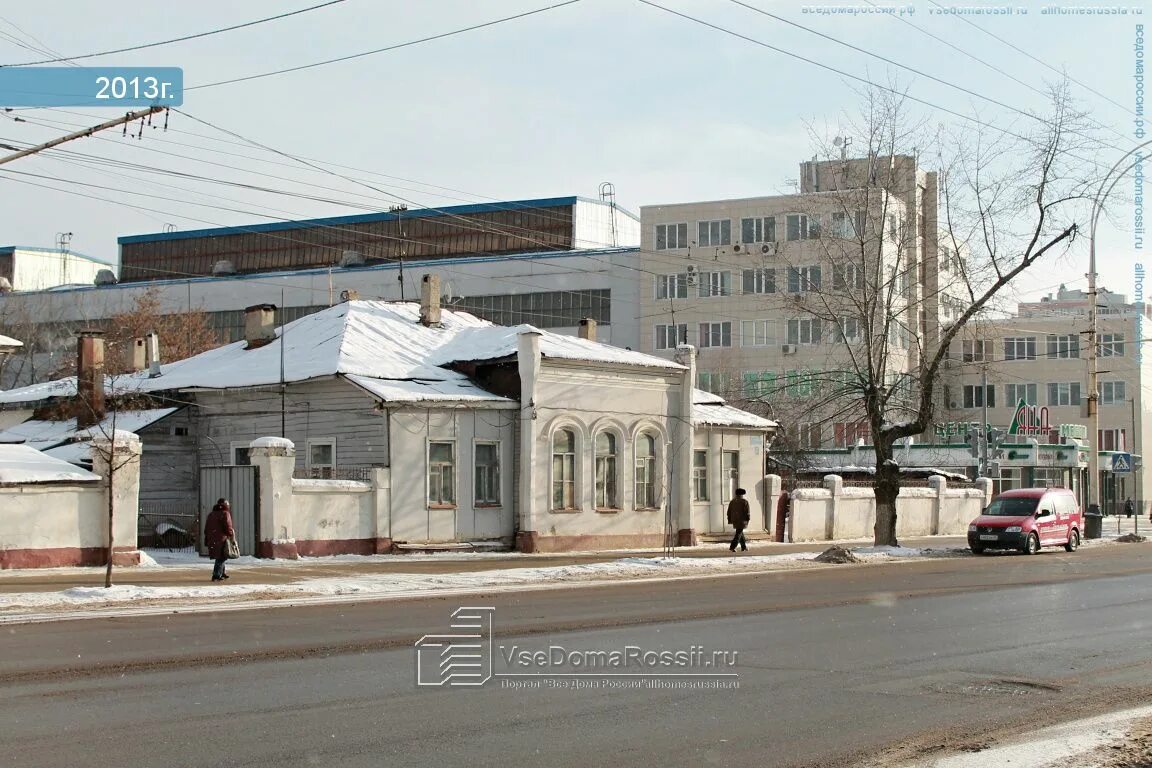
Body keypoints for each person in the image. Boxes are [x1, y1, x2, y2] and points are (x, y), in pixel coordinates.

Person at [204, 498, 235, 582]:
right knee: (221, 557)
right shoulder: (225, 513)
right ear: (225, 505)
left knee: (221, 556)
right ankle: (216, 575)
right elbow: (228, 526)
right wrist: (230, 534)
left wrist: (207, 537)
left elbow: (206, 528)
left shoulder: (211, 514)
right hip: (221, 538)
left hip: (212, 538)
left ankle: (222, 573)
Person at [727, 488, 751, 552]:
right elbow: (747, 512)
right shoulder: (744, 502)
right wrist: (748, 519)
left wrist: (729, 519)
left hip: (734, 520)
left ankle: (744, 547)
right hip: (742, 520)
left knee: (740, 533)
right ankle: (732, 546)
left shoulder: (732, 501)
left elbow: (728, 511)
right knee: (738, 534)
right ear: (742, 494)